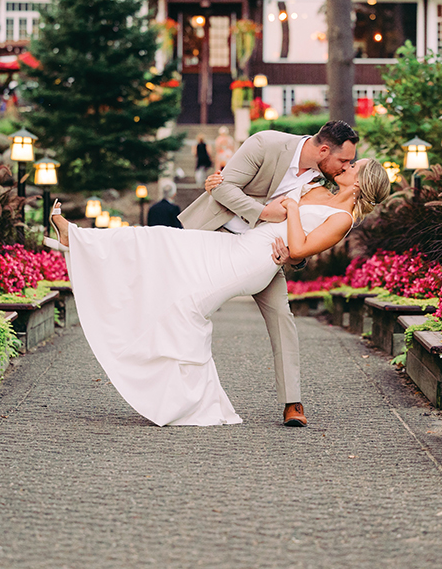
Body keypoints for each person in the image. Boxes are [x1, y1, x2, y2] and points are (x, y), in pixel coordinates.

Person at [46, 154, 389, 427]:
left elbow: (298, 249)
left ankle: (186, 401)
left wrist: (295, 210)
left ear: (360, 180)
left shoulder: (343, 218)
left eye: (353, 165)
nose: (347, 165)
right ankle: (76, 238)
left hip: (254, 260)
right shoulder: (315, 186)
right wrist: (220, 185)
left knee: (188, 306)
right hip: (239, 242)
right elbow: (262, 203)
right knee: (161, 238)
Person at [176, 119, 359, 427]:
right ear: (324, 150)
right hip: (214, 233)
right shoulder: (266, 144)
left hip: (265, 255)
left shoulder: (321, 182)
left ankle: (292, 402)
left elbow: (306, 231)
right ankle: (180, 388)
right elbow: (222, 188)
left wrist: (293, 258)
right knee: (187, 305)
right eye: (343, 160)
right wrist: (262, 212)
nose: (345, 167)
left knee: (282, 317)